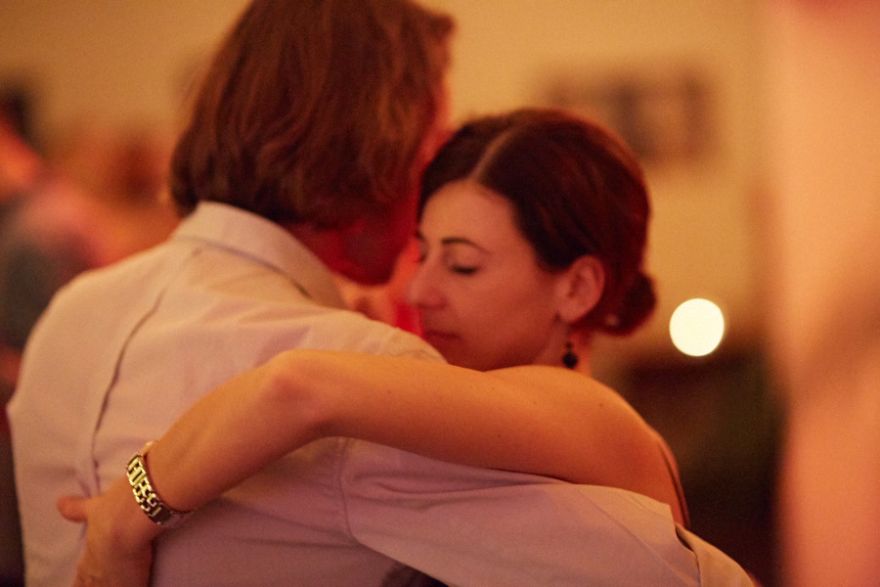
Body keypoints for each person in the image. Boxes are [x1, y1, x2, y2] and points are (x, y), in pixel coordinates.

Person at [10, 1, 749, 585]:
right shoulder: (362, 361)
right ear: (383, 147)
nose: (421, 287)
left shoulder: (72, 316)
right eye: (433, 140)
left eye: (462, 264)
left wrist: (129, 512)